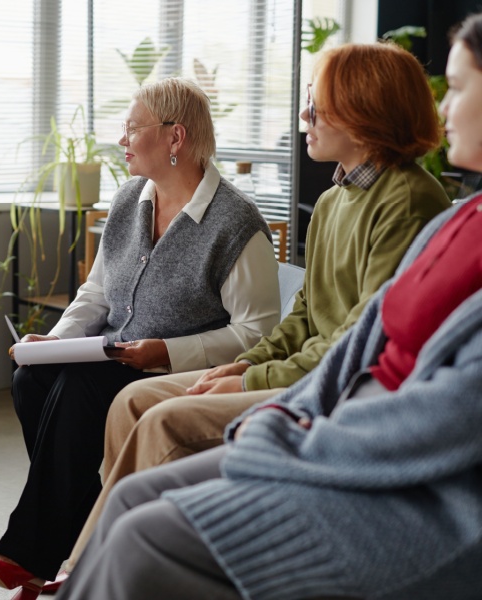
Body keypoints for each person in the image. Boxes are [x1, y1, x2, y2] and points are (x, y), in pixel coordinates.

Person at [55, 14, 482, 599]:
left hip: (322, 389)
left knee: (158, 418)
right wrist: (239, 368)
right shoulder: (334, 201)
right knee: (129, 400)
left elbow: (361, 343)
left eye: (318, 107)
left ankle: (101, 571)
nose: (304, 119)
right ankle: (81, 568)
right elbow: (305, 317)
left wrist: (252, 375)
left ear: (364, 113)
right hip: (301, 371)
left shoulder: (409, 200)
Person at [0, 78, 281, 600]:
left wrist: (166, 352)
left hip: (176, 370)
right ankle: (88, 531)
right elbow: (98, 290)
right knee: (31, 381)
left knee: (79, 389)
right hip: (113, 355)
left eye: (132, 128)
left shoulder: (234, 223)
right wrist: (57, 341)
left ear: (175, 137)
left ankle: (29, 556)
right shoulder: (130, 197)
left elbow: (258, 334)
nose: (122, 140)